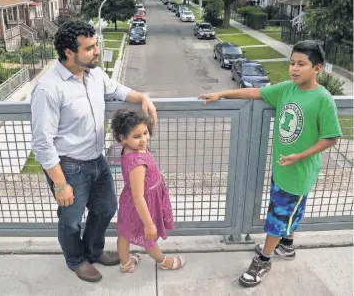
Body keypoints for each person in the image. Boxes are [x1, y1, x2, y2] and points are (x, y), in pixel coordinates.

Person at [198, 40, 342, 288]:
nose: (294, 69)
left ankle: (263, 259)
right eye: (292, 63)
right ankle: (286, 245)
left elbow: (331, 138)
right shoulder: (287, 89)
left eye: (301, 64)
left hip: (299, 171)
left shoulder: (323, 98)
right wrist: (222, 93)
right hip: (282, 168)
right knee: (288, 211)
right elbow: (256, 93)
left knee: (277, 217)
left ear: (317, 69)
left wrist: (299, 156)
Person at [30, 20, 157, 283]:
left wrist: (142, 97)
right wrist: (60, 183)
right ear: (69, 52)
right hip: (69, 167)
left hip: (97, 160)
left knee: (106, 208)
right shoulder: (48, 88)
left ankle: (93, 251)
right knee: (71, 221)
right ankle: (76, 260)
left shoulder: (94, 75)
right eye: (89, 48)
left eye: (95, 45)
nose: (96, 51)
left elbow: (117, 90)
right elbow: (43, 144)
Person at [110, 109, 186, 273]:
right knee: (149, 238)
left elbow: (143, 129)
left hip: (129, 202)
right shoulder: (137, 162)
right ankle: (164, 261)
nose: (144, 140)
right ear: (123, 138)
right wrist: (149, 224)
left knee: (124, 233)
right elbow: (138, 196)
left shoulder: (130, 149)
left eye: (145, 133)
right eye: (137, 137)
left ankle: (126, 263)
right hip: (142, 205)